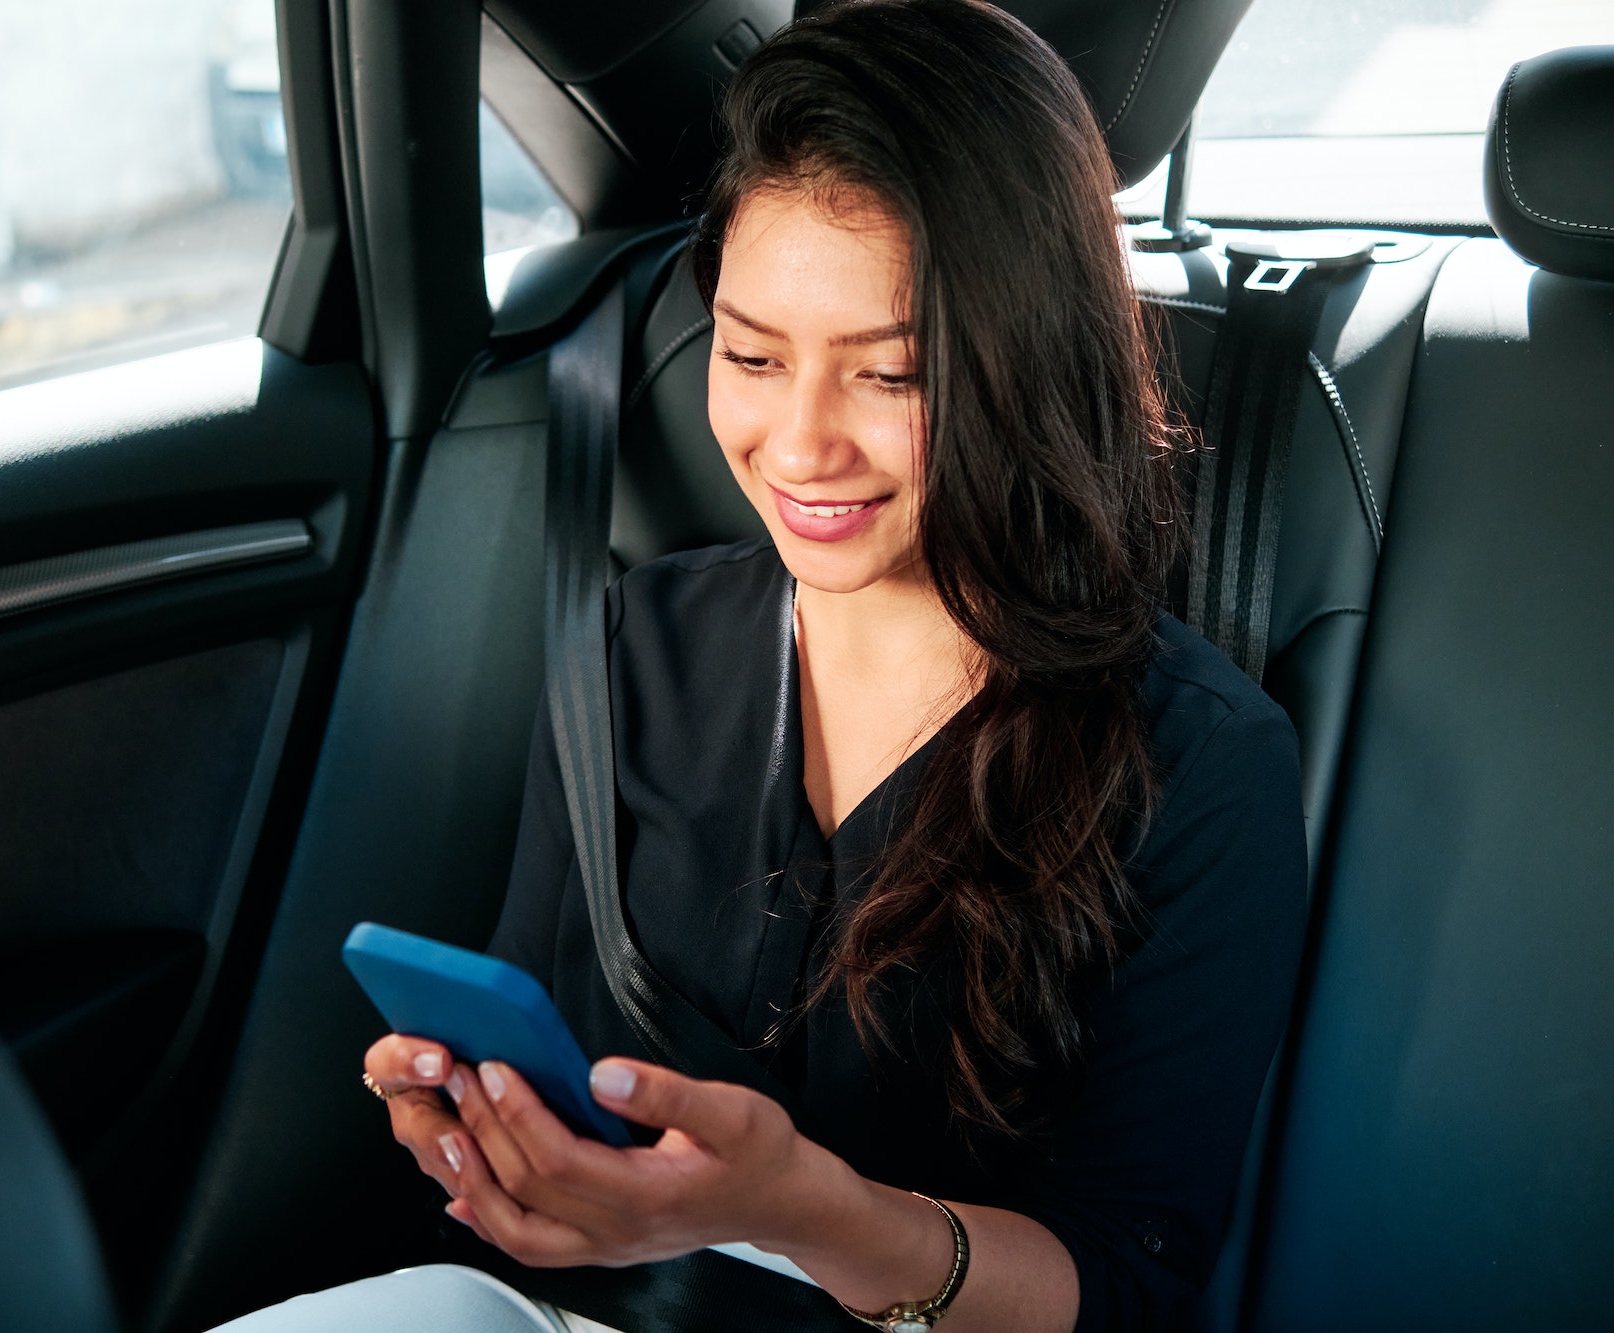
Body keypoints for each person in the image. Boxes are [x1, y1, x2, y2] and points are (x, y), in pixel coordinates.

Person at [218, 1, 1306, 1329]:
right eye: (751, 354)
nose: (798, 444)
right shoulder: (635, 647)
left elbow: (1123, 1288)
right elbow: (536, 1035)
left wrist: (804, 1208)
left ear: (1027, 367)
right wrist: (482, 1125)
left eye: (889, 375)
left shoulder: (1196, 762)